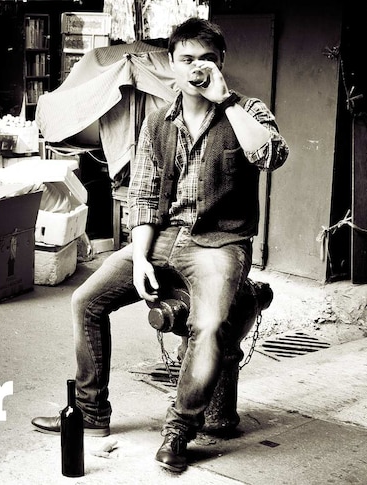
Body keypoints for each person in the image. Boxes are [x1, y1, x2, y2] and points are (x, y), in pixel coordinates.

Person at [30, 18, 289, 473]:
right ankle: (91, 415)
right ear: (172, 64)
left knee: (208, 326)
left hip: (219, 244)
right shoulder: (157, 122)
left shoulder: (246, 110)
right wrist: (137, 260)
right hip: (164, 236)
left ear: (221, 63)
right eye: (187, 59)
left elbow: (271, 156)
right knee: (85, 300)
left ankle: (179, 430)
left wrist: (225, 102)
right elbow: (147, 199)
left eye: (207, 59)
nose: (197, 68)